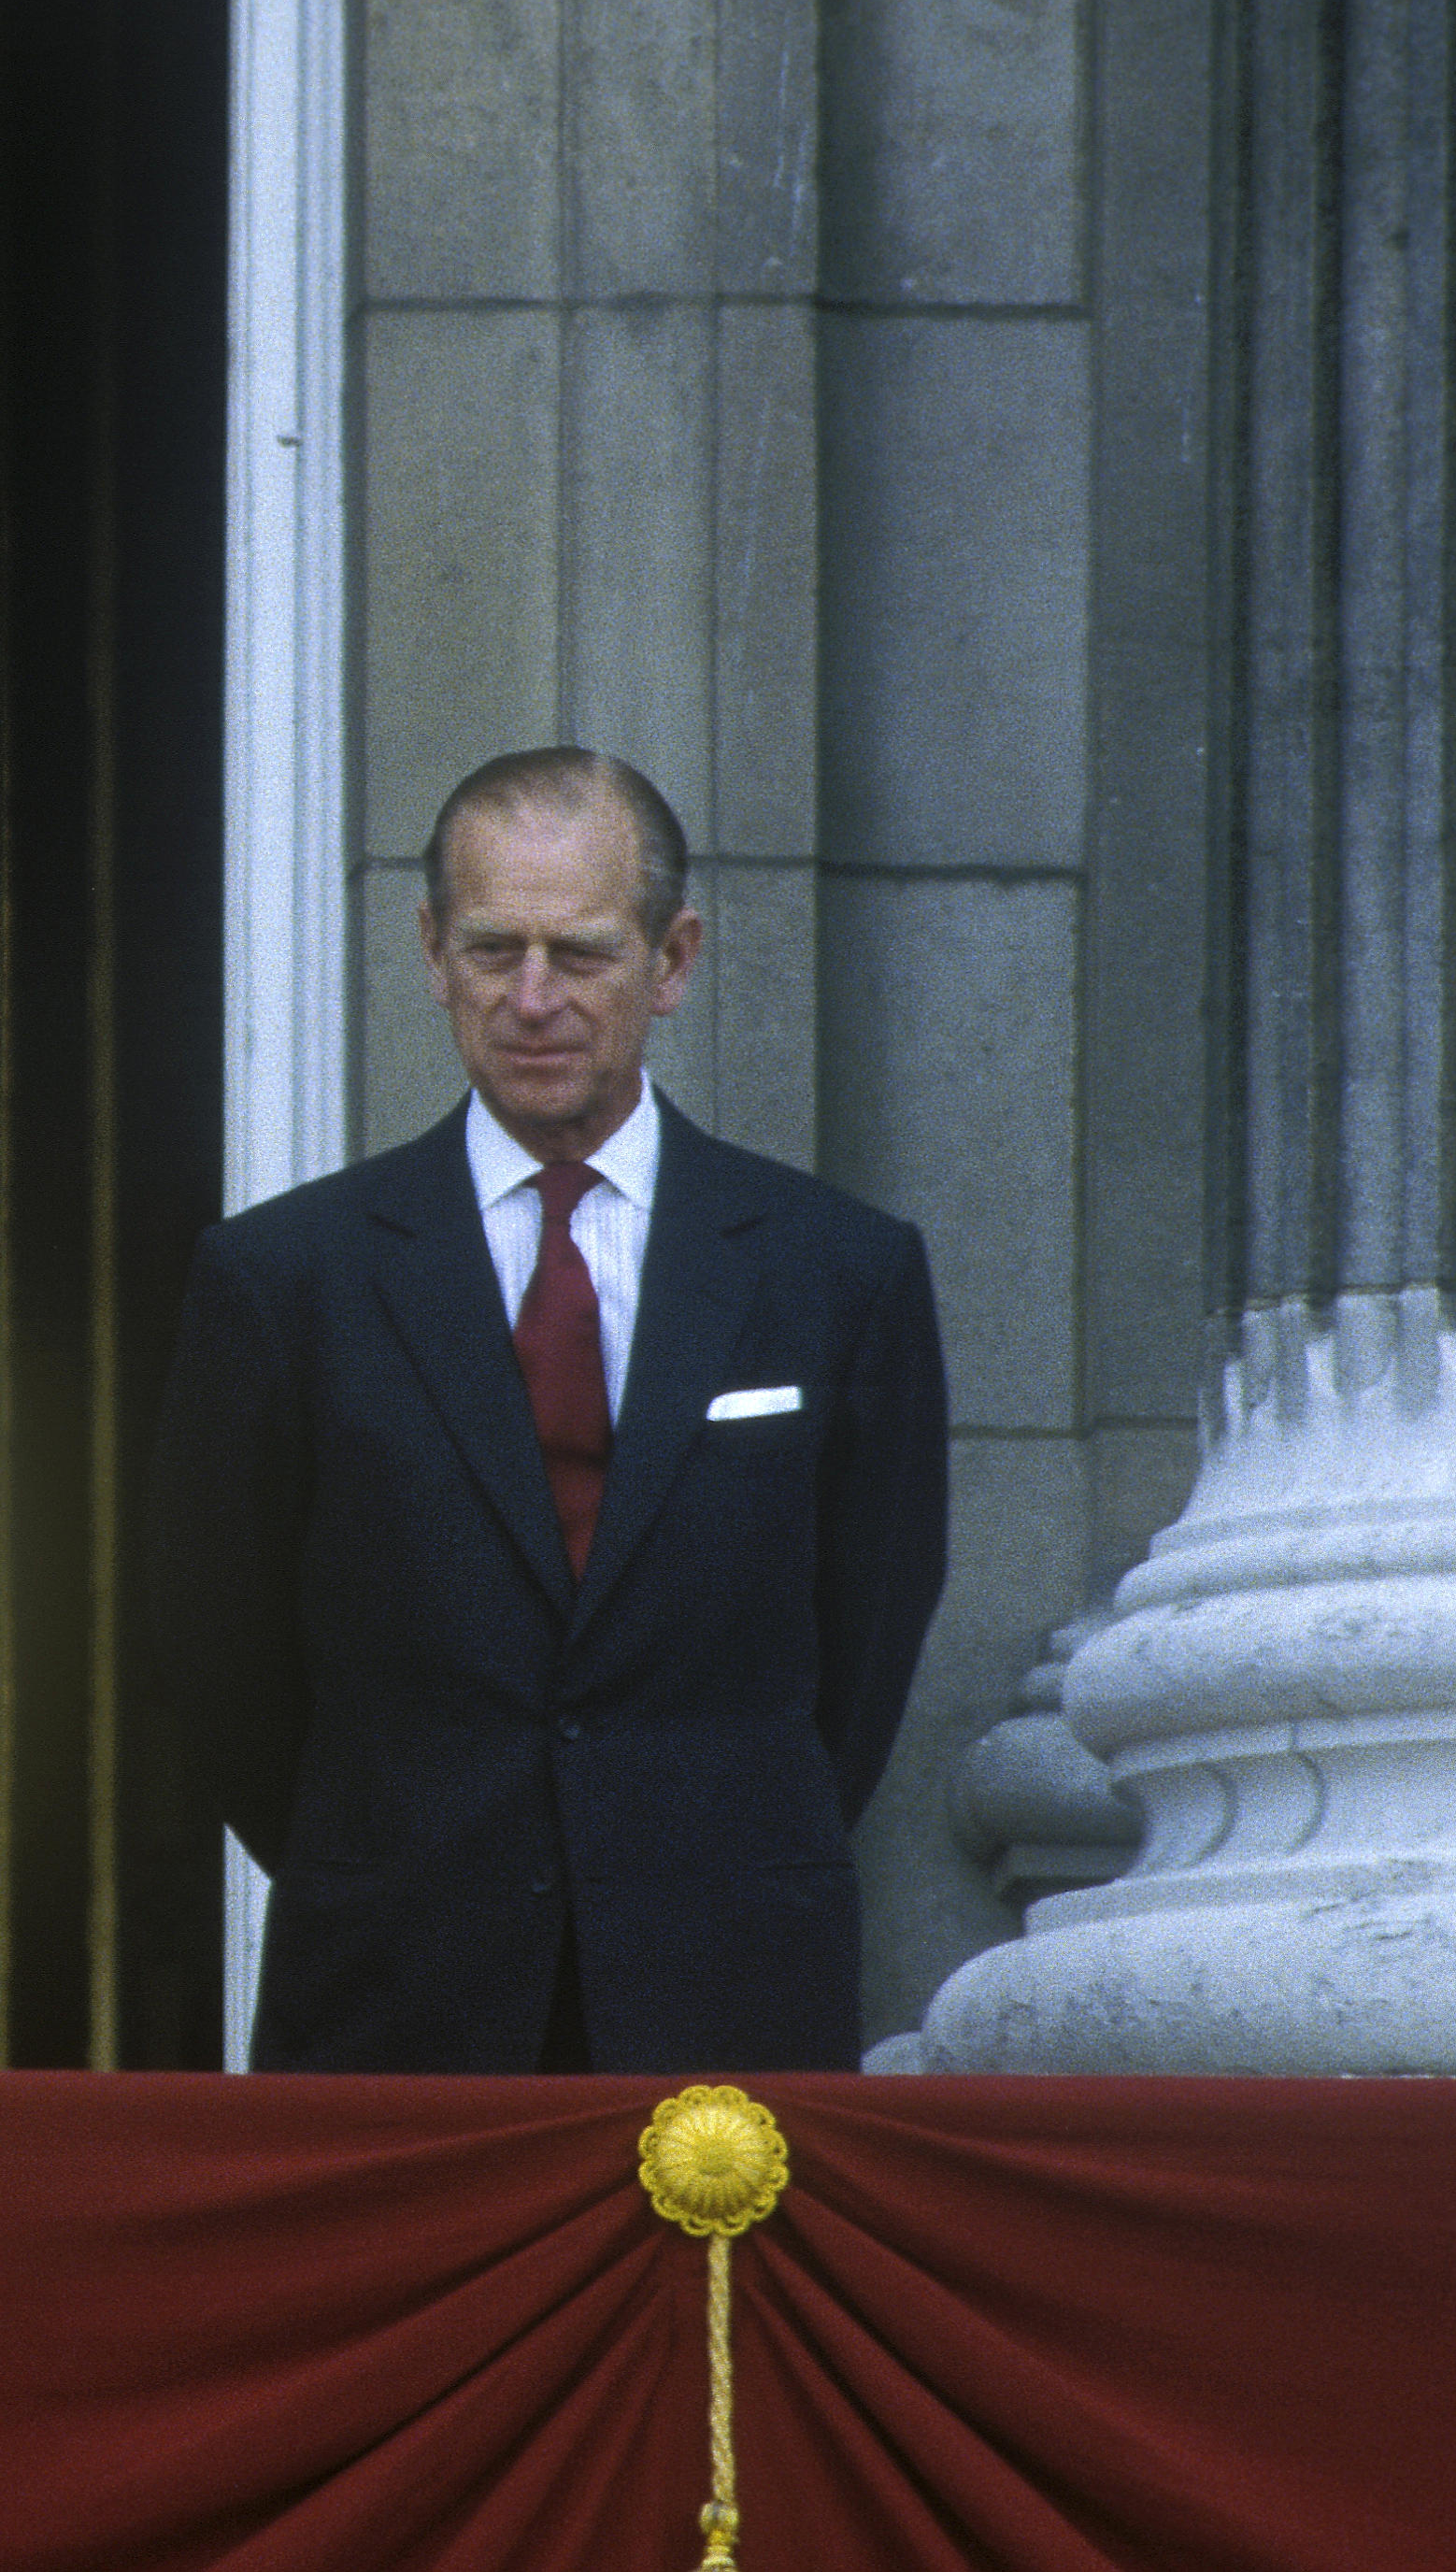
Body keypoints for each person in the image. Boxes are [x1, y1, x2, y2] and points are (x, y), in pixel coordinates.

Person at [159, 746, 950, 2073]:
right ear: (429, 951)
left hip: (723, 1987)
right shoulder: (284, 1279)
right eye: (492, 950)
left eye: (580, 953)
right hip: (391, 1994)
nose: (533, 999)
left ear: (673, 957)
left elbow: (861, 1646)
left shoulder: (838, 1274)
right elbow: (218, 1657)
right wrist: (395, 1854)